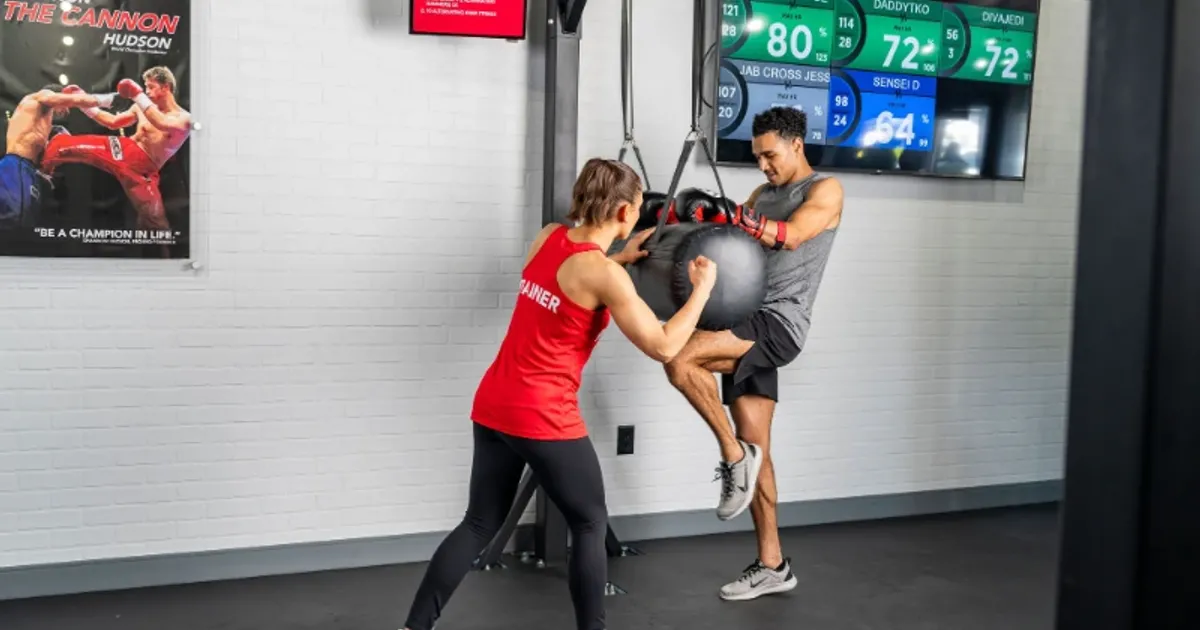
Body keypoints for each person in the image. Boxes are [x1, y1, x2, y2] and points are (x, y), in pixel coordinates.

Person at [400, 158, 718, 630]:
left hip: (493, 403)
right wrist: (703, 291)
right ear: (629, 213)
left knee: (478, 523)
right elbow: (664, 345)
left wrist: (618, 257)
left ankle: (414, 626)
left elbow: (570, 277)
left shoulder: (548, 237)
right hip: (543, 414)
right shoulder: (603, 275)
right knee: (589, 524)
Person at [662, 106, 844, 601]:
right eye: (757, 156)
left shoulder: (823, 191)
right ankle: (772, 563)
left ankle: (732, 454)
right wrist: (695, 217)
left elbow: (793, 236)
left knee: (679, 358)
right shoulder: (765, 194)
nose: (762, 165)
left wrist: (736, 215)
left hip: (778, 325)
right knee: (759, 446)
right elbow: (734, 235)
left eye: (770, 155)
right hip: (746, 322)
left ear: (796, 144)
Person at [40, 66, 190, 234]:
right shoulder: (141, 106)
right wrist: (83, 102)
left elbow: (161, 123)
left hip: (145, 170)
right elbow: (112, 121)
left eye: (151, 86)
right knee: (70, 146)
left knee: (155, 222)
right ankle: (44, 167)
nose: (146, 91)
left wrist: (137, 94)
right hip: (126, 150)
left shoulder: (183, 118)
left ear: (166, 87)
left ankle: (158, 257)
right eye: (145, 87)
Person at [0, 84, 114, 230]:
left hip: (27, 169)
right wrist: (104, 100)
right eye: (65, 107)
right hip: (17, 165)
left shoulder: (40, 119)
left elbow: (35, 143)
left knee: (26, 221)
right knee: (15, 219)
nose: (65, 111)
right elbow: (61, 98)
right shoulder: (41, 95)